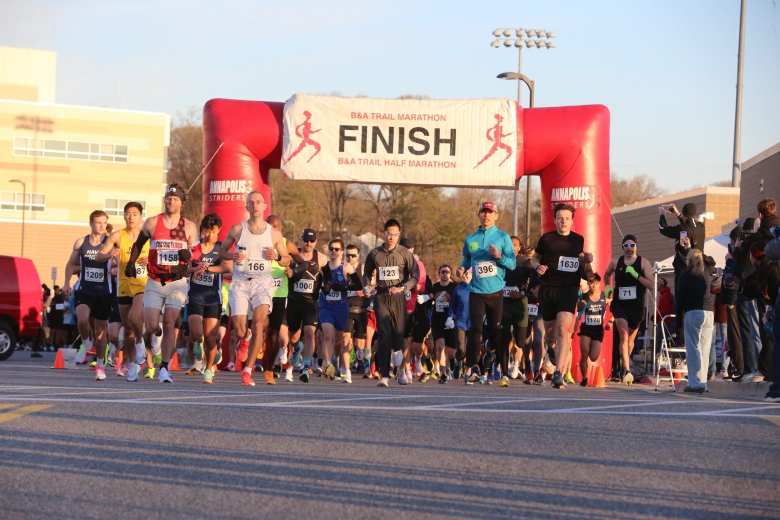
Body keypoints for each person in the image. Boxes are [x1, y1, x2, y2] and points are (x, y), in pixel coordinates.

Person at [125, 183, 199, 384]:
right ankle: (143, 351)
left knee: (169, 322)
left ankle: (164, 368)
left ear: (181, 203)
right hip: (155, 281)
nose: (170, 201)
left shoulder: (189, 227)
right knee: (150, 325)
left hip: (177, 282)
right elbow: (138, 245)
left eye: (175, 198)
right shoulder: (151, 223)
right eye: (168, 197)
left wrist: (189, 255)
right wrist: (131, 263)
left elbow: (197, 256)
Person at [221, 191, 291, 387]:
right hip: (241, 282)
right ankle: (245, 338)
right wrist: (233, 256)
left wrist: (276, 256)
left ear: (264, 206)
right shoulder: (237, 230)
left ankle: (247, 369)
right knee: (240, 328)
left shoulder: (274, 233)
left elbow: (287, 260)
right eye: (251, 202)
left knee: (260, 323)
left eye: (258, 202)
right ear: (247, 206)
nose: (255, 205)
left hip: (262, 282)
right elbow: (221, 251)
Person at [531, 203, 593, 389]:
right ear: (555, 219)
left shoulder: (578, 240)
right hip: (548, 289)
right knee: (550, 334)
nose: (563, 221)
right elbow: (534, 258)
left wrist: (587, 263)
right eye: (560, 218)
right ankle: (551, 348)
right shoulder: (546, 239)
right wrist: (537, 266)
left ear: (572, 220)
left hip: (569, 289)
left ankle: (558, 372)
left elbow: (582, 261)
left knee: (564, 331)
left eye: (567, 218)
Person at [456, 201, 516, 386]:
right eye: (484, 212)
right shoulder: (471, 239)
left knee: (497, 332)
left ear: (496, 215)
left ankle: (503, 371)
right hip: (476, 290)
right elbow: (466, 259)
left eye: (490, 213)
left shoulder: (502, 237)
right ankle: (473, 368)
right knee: (475, 330)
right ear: (479, 214)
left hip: (495, 292)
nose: (487, 215)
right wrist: (460, 269)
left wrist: (499, 256)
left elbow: (512, 264)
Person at [95, 201, 149, 381]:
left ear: (141, 216)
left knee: (135, 319)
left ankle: (141, 344)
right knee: (127, 331)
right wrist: (109, 254)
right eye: (127, 213)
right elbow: (99, 255)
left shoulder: (148, 236)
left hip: (143, 286)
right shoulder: (118, 235)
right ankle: (133, 364)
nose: (130, 216)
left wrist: (149, 261)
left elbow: (159, 257)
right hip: (123, 288)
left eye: (134, 213)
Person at [363, 219, 418, 388]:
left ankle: (401, 370)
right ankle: (384, 375)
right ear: (384, 234)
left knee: (398, 336)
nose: (391, 237)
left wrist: (403, 288)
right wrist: (366, 286)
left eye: (395, 234)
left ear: (398, 235)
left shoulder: (405, 254)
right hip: (381, 297)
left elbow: (414, 276)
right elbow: (366, 273)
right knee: (384, 335)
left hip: (399, 298)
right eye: (389, 234)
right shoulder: (374, 254)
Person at [63, 210, 112, 381]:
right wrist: (66, 283)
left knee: (101, 331)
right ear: (91, 223)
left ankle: (100, 364)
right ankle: (86, 343)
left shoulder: (110, 243)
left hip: (104, 291)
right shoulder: (81, 242)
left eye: (104, 222)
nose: (101, 226)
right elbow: (70, 265)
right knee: (82, 319)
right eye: (98, 222)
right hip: (85, 289)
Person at [604, 234, 654, 385]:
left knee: (630, 340)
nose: (629, 248)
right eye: (626, 245)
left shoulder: (643, 262)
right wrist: (608, 290)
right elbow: (606, 274)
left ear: (636, 247)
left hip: (636, 306)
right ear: (622, 247)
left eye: (632, 245)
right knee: (624, 335)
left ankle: (623, 359)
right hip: (620, 304)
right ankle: (627, 370)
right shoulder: (616, 262)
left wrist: (636, 275)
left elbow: (651, 284)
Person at [187, 214, 229, 384]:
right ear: (202, 231)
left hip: (213, 298)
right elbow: (186, 268)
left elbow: (227, 267)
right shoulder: (195, 248)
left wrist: (208, 269)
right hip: (195, 296)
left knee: (210, 337)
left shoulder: (220, 250)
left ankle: (209, 368)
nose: (210, 235)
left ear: (218, 232)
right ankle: (198, 344)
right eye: (207, 231)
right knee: (197, 333)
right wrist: (195, 268)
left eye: (213, 232)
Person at [318, 238, 362, 383]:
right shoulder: (323, 268)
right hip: (326, 307)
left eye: (337, 249)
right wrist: (323, 288)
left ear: (342, 252)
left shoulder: (346, 268)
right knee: (328, 335)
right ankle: (328, 364)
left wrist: (342, 287)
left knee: (341, 341)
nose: (334, 252)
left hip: (341, 307)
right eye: (331, 249)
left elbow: (358, 286)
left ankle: (343, 367)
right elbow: (318, 285)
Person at [287, 228, 327, 383]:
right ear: (301, 240)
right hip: (294, 301)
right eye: (306, 240)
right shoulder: (293, 256)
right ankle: (296, 351)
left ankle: (306, 366)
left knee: (310, 332)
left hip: (311, 303)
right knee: (294, 336)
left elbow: (331, 272)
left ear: (316, 242)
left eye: (312, 241)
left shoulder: (321, 258)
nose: (308, 243)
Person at [266, 214, 298, 382]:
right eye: (270, 227)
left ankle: (278, 358)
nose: (273, 231)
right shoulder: (259, 242)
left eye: (276, 227)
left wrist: (292, 271)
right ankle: (268, 365)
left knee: (280, 336)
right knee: (261, 329)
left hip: (280, 294)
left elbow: (301, 262)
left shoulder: (286, 244)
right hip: (261, 293)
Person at [678, 249, 715, 393]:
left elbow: (680, 299)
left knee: (693, 348)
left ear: (688, 260)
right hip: (709, 312)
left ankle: (694, 383)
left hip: (692, 312)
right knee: (705, 349)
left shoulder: (686, 275)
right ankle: (703, 382)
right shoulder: (708, 272)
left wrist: (679, 320)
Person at [498, 235, 533, 386]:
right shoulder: (499, 262)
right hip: (503, 304)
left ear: (519, 248)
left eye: (515, 245)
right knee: (504, 339)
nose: (512, 247)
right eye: (509, 244)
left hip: (520, 304)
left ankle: (527, 366)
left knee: (520, 340)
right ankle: (504, 374)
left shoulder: (525, 262)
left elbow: (536, 281)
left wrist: (523, 293)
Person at [574, 274, 610, 386]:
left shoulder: (604, 296)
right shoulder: (585, 297)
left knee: (593, 357)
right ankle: (584, 377)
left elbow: (613, 304)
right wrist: (574, 329)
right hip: (586, 328)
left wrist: (611, 321)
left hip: (598, 330)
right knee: (584, 354)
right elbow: (579, 314)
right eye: (590, 283)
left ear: (599, 283)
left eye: (593, 283)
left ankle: (590, 351)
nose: (591, 285)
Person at [343, 244, 369, 377]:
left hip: (361, 309)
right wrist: (353, 292)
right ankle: (348, 363)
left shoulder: (363, 268)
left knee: (360, 341)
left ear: (359, 256)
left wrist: (366, 291)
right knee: (346, 337)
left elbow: (370, 286)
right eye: (347, 255)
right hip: (346, 308)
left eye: (353, 255)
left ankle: (360, 359)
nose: (350, 258)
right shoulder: (342, 268)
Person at [430, 264, 456, 383]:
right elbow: (429, 299)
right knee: (440, 346)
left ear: (450, 274)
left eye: (447, 272)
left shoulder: (454, 287)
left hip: (450, 321)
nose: (445, 274)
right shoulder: (434, 287)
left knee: (450, 352)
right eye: (443, 272)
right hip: (437, 320)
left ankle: (450, 366)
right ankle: (443, 372)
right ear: (439, 274)